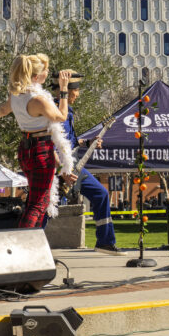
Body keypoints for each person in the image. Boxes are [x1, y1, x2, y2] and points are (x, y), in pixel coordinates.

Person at [0, 54, 75, 228]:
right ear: (36, 76)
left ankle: (30, 237)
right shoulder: (38, 100)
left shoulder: (16, 95)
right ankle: (22, 239)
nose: (48, 72)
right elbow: (61, 116)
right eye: (45, 70)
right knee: (38, 203)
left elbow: (3, 110)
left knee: (36, 200)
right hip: (41, 149)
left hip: (26, 149)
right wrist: (64, 90)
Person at [57, 81, 124, 255]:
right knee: (48, 206)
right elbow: (53, 145)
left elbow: (70, 142)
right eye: (76, 90)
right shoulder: (57, 111)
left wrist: (88, 142)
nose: (78, 94)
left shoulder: (68, 112)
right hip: (61, 167)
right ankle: (28, 242)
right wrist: (62, 170)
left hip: (72, 164)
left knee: (101, 194)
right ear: (67, 91)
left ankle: (105, 242)